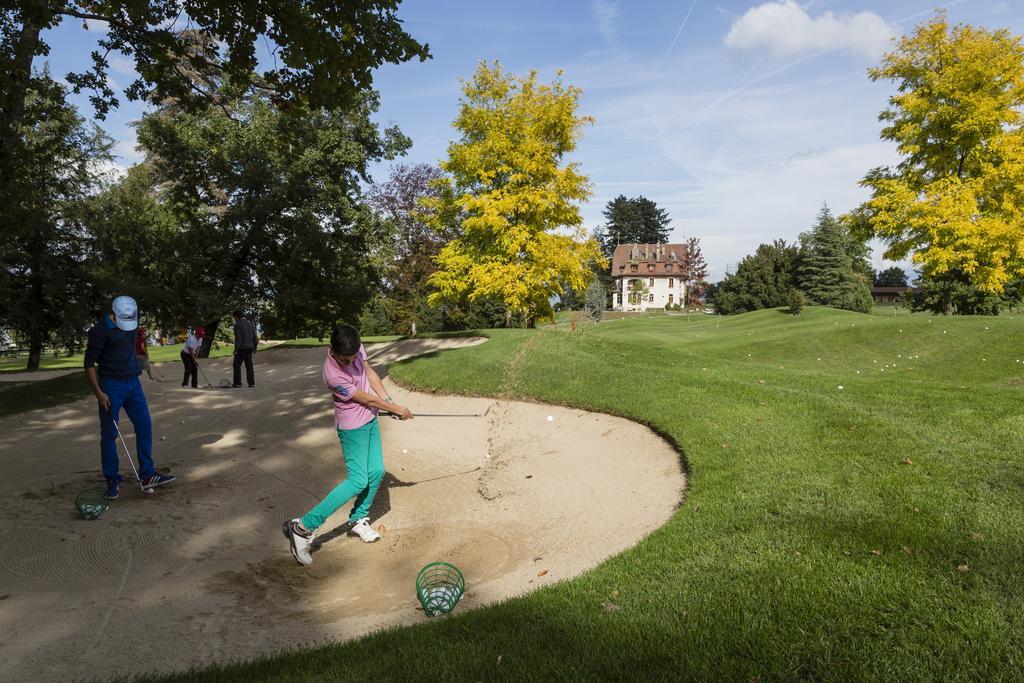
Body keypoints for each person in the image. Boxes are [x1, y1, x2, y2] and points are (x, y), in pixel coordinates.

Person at [282, 324, 413, 566]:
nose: (349, 362)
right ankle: (302, 527)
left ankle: (358, 519)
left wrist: (389, 400)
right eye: (345, 359)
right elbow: (366, 397)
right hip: (353, 427)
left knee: (376, 471)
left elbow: (369, 373)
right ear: (331, 349)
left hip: (370, 418)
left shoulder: (354, 347)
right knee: (357, 480)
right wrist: (397, 409)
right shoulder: (333, 375)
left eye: (352, 357)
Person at [84, 295, 177, 499]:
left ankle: (147, 474)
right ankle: (112, 479)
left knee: (145, 426)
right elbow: (89, 364)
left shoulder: (132, 324)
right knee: (109, 433)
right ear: (114, 314)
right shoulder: (99, 331)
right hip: (110, 386)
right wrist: (99, 393)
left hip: (133, 383)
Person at [231, 309, 257, 388]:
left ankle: (237, 383)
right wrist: (255, 347)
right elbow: (255, 337)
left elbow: (238, 339)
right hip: (250, 347)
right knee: (249, 365)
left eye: (234, 317)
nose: (234, 319)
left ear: (236, 316)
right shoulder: (249, 324)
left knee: (237, 365)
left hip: (241, 348)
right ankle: (251, 382)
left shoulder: (237, 325)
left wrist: (236, 350)